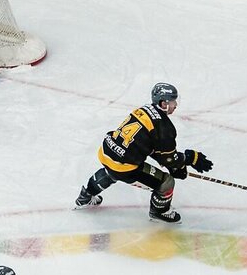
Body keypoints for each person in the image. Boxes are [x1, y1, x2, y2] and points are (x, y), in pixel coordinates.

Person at [73, 82, 214, 224]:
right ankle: (159, 212)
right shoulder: (164, 127)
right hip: (124, 166)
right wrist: (189, 159)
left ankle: (85, 196)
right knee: (167, 182)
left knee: (112, 170)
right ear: (163, 103)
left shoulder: (143, 110)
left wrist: (174, 164)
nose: (175, 104)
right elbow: (169, 159)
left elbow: (148, 145)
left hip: (107, 152)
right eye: (172, 101)